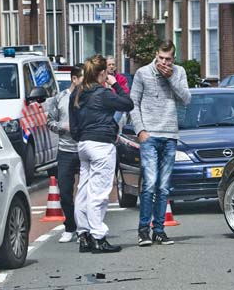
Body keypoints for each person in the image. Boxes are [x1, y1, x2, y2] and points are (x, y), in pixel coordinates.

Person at [129, 41, 191, 246]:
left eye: (168, 59)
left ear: (174, 58)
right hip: (149, 135)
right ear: (156, 55)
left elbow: (186, 98)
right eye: (161, 58)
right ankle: (143, 230)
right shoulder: (142, 73)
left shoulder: (178, 72)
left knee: (164, 187)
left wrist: (171, 77)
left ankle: (159, 230)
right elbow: (133, 103)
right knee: (149, 184)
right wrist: (140, 130)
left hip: (170, 134)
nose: (164, 62)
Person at [69, 55, 133, 253]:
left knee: (83, 190)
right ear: (102, 73)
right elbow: (127, 103)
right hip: (101, 145)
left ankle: (83, 234)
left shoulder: (77, 93)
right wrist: (116, 85)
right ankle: (98, 236)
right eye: (107, 73)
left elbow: (74, 125)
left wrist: (82, 137)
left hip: (83, 144)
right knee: (99, 193)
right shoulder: (103, 93)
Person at [46, 66, 84, 245]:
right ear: (74, 79)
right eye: (83, 78)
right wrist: (63, 126)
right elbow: (49, 121)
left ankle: (85, 228)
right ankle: (70, 227)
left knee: (86, 193)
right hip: (66, 150)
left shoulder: (88, 97)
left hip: (85, 149)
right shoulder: (60, 98)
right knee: (66, 192)